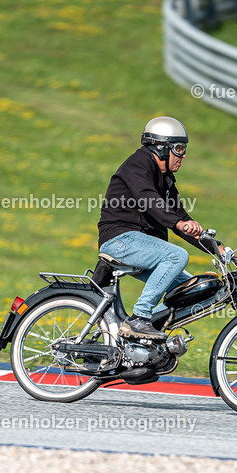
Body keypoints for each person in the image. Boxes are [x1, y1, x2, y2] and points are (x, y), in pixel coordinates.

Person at [97, 116, 216, 340]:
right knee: (176, 256)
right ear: (161, 148)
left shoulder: (166, 178)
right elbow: (147, 199)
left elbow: (180, 217)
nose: (184, 155)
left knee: (191, 288)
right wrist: (178, 223)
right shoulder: (138, 164)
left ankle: (145, 343)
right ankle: (139, 319)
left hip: (140, 246)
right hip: (120, 240)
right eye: (179, 148)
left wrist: (218, 249)